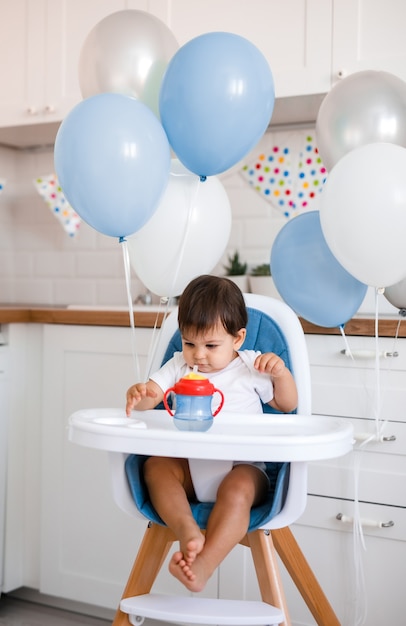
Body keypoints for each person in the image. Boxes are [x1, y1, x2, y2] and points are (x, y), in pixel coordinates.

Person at [125, 274, 298, 593]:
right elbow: (153, 394)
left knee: (238, 490)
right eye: (189, 343)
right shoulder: (179, 366)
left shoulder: (250, 366)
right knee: (156, 467)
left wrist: (281, 373)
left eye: (210, 345)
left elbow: (287, 405)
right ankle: (187, 529)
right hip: (189, 467)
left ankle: (204, 562)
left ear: (238, 338)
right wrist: (141, 393)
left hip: (242, 466)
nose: (198, 355)